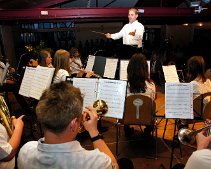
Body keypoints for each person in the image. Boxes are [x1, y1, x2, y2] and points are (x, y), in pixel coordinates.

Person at [17, 81, 119, 169]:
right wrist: (94, 132)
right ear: (74, 124)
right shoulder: (96, 162)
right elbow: (114, 165)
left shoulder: (25, 152)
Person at [125, 53, 156, 137]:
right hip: (147, 118)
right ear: (146, 68)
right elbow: (152, 104)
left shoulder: (124, 86)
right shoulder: (151, 85)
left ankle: (127, 128)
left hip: (128, 117)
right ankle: (148, 129)